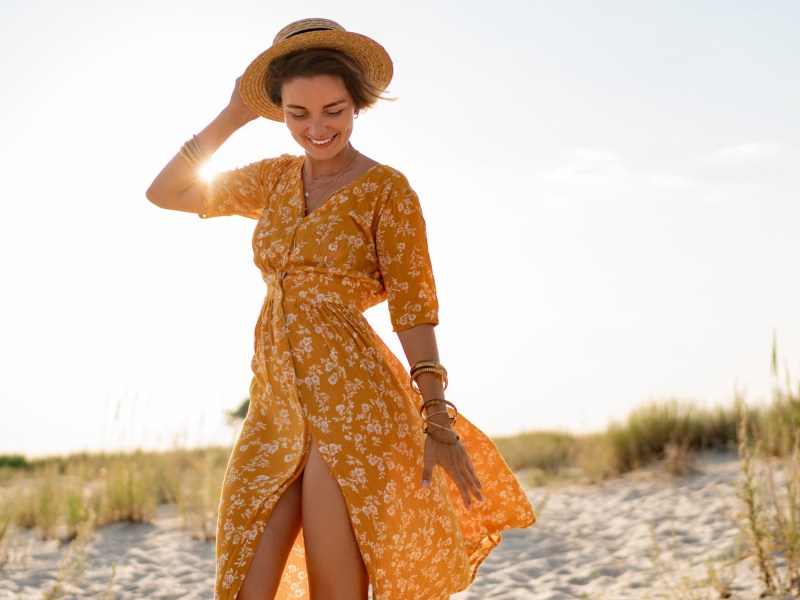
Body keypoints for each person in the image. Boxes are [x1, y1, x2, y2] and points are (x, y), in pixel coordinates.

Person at [146, 18, 535, 600]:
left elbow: (414, 307)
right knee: (242, 583)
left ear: (358, 105)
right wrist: (234, 113)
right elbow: (166, 191)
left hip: (354, 406)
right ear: (279, 112)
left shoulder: (387, 190)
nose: (317, 127)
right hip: (275, 406)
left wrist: (436, 414)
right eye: (297, 113)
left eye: (333, 109)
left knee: (336, 589)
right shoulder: (274, 180)